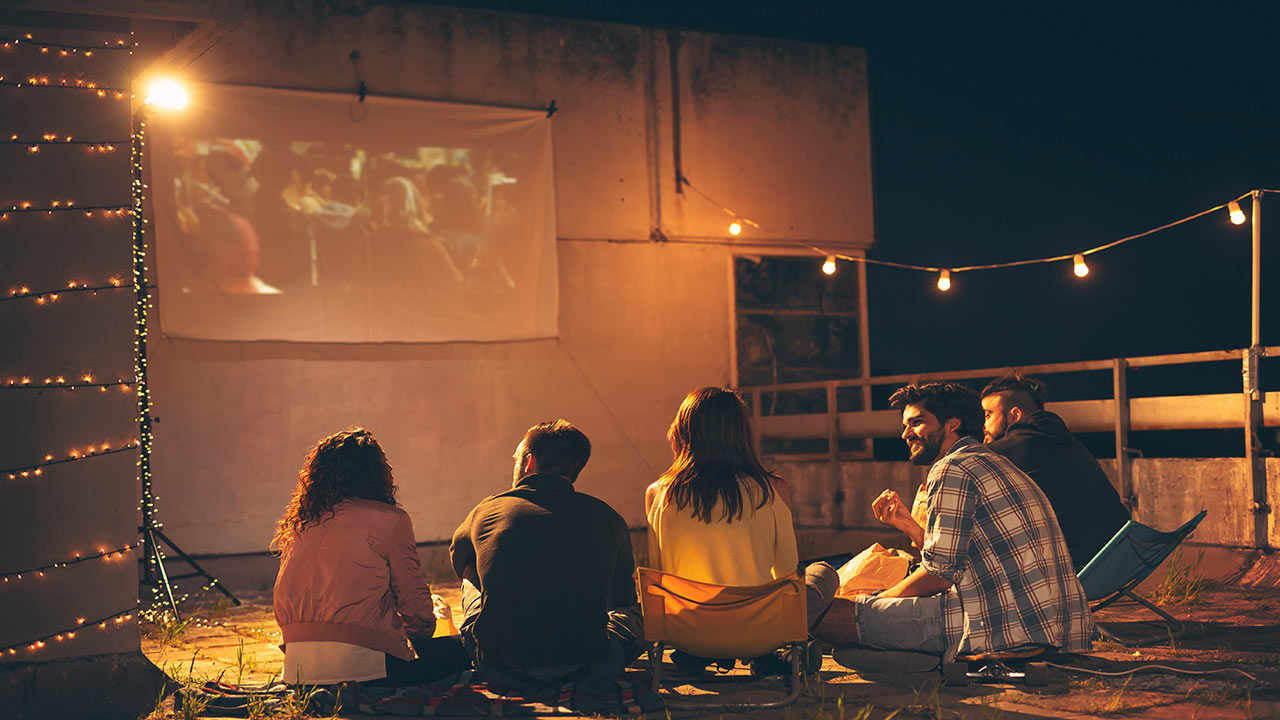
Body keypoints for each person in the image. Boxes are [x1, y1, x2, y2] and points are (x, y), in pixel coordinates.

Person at [812, 382, 1094, 661]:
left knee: (826, 615)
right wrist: (909, 525)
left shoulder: (951, 469)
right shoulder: (993, 462)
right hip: (1051, 625)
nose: (905, 434)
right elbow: (961, 558)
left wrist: (877, 599)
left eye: (916, 423)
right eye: (905, 425)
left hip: (999, 626)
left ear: (952, 425)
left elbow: (938, 575)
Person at [645, 387, 837, 676]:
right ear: (741, 433)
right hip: (759, 633)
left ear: (682, 431)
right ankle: (773, 656)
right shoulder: (772, 489)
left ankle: (700, 656)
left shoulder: (658, 494)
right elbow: (787, 576)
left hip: (686, 633)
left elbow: (659, 576)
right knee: (822, 573)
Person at [449, 420, 642, 691]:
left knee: (471, 569)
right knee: (633, 612)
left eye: (516, 458)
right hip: (592, 669)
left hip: (498, 669)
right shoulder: (608, 517)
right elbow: (622, 599)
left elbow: (460, 560)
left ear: (529, 462)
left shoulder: (488, 510)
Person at [272, 429, 468, 688]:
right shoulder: (390, 520)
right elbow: (417, 612)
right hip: (369, 670)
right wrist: (428, 628)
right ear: (378, 474)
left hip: (298, 671)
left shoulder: (301, 524)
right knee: (459, 649)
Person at [981, 375, 1130, 569]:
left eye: (988, 415)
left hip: (1072, 567)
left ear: (1014, 415)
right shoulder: (1070, 443)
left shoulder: (1001, 453)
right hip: (1121, 557)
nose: (984, 425)